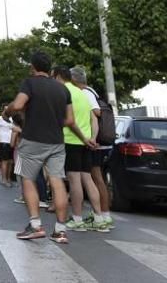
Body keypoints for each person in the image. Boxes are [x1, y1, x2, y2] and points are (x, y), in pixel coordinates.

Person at [8, 51, 90, 244]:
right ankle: (60, 231)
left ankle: (36, 226)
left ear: (33, 67)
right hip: (57, 142)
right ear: (50, 68)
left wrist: (8, 110)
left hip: (33, 139)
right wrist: (53, 122)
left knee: (28, 180)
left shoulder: (29, 83)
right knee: (58, 182)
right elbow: (70, 120)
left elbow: (19, 104)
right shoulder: (63, 89)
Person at [53, 66, 110, 233]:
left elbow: (69, 121)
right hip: (86, 142)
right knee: (88, 179)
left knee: (74, 180)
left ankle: (77, 219)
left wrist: (83, 138)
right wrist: (91, 138)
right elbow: (94, 118)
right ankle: (99, 218)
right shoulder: (83, 93)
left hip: (72, 140)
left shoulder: (64, 91)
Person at [71, 66, 114, 228]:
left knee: (96, 178)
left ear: (74, 80)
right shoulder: (91, 92)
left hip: (95, 142)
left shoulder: (86, 93)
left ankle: (103, 215)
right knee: (97, 178)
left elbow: (96, 112)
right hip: (97, 141)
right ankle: (102, 214)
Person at [0, 108, 18, 186]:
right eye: (5, 109)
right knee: (5, 161)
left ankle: (8, 179)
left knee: (10, 162)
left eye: (8, 109)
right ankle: (3, 180)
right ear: (2, 111)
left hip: (12, 143)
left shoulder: (12, 119)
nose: (7, 111)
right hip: (3, 142)